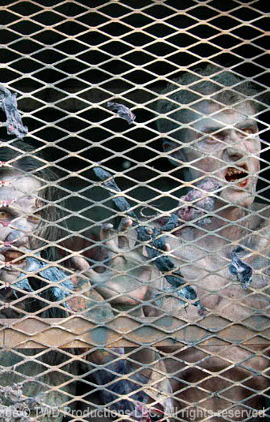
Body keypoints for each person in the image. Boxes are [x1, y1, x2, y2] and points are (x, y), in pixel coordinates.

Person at [0, 140, 173, 421]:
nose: (21, 236)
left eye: (35, 216)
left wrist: (128, 314)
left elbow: (138, 405)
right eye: (3, 214)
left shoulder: (70, 293)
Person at [81, 65, 269, 421]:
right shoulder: (141, 251)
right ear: (175, 151)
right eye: (213, 136)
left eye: (248, 132)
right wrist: (126, 315)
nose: (236, 150)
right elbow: (115, 397)